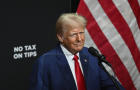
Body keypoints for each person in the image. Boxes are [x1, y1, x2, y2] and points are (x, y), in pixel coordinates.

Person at [29, 13, 125, 90]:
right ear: (60, 37)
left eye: (81, 33)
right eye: (74, 34)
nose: (79, 39)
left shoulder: (91, 55)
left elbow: (111, 86)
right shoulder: (45, 63)